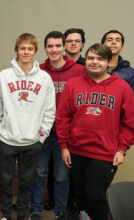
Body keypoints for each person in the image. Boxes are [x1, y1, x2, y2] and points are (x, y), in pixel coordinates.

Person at [56, 43, 134, 220]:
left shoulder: (122, 87)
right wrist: (64, 146)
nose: (94, 62)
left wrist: (122, 149)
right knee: (79, 194)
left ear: (108, 62)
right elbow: (63, 117)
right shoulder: (73, 84)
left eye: (100, 59)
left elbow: (129, 123)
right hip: (76, 150)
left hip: (104, 153)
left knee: (95, 196)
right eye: (91, 58)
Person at [0, 33, 55, 220]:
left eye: (30, 49)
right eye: (22, 48)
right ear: (16, 50)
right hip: (6, 140)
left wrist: (41, 136)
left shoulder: (45, 78)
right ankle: (5, 214)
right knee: (5, 181)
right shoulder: (3, 76)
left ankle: (21, 214)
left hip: (32, 141)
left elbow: (49, 111)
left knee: (27, 181)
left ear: (35, 51)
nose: (26, 52)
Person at [30, 31, 86, 220]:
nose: (54, 50)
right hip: (41, 134)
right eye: (50, 46)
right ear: (45, 48)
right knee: (38, 174)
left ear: (64, 48)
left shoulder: (79, 71)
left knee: (62, 178)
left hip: (65, 137)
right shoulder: (38, 70)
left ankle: (60, 213)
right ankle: (35, 211)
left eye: (57, 46)